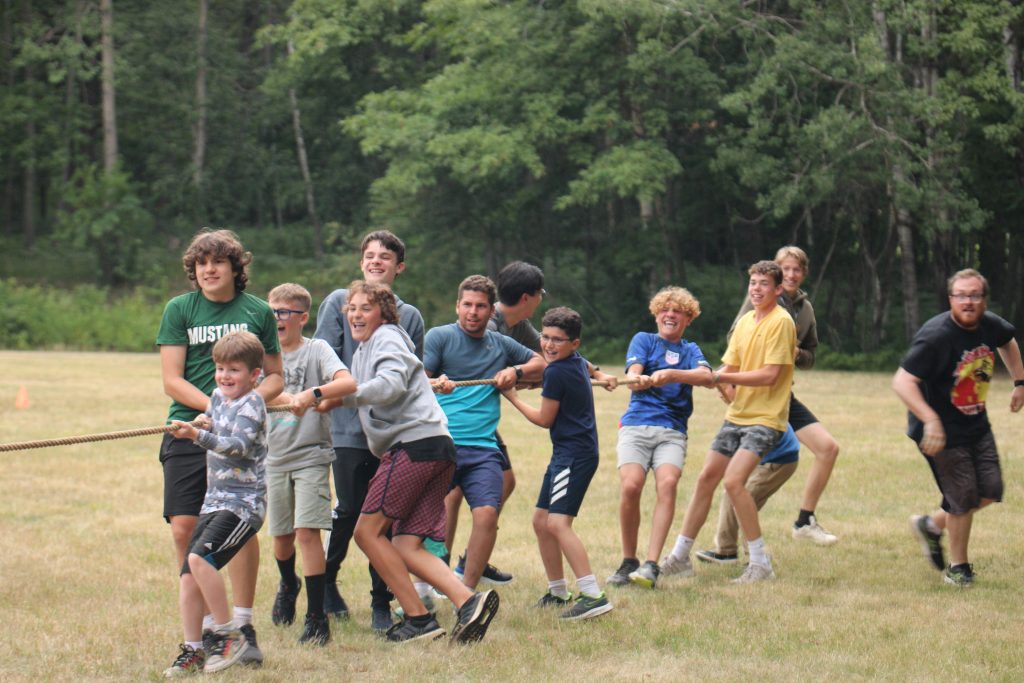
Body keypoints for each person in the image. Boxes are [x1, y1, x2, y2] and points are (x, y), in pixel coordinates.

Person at [296, 281, 500, 643]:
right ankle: (468, 602)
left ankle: (418, 619)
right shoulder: (364, 350)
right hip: (437, 448)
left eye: (366, 308)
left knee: (366, 532)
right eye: (352, 308)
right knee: (406, 544)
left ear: (385, 313)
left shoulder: (388, 337)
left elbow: (389, 385)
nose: (357, 314)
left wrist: (335, 397)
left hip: (415, 447)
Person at [156, 229, 282, 668]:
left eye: (218, 262)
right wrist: (209, 411)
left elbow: (274, 377)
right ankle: (205, 635)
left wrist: (238, 411)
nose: (209, 270)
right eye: (200, 263)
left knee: (238, 529)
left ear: (235, 267)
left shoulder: (258, 311)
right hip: (191, 425)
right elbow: (172, 379)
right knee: (184, 531)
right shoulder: (179, 309)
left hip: (233, 435)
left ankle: (241, 626)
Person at [314, 230, 424, 632]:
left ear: (399, 267)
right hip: (346, 430)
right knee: (349, 511)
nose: (376, 261)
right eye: (370, 255)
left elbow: (412, 374)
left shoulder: (409, 316)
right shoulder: (337, 304)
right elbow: (323, 358)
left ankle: (382, 601)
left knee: (386, 520)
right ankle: (325, 582)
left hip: (392, 435)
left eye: (385, 257)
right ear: (361, 262)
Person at [660, 260, 796, 583]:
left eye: (764, 283)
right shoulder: (746, 321)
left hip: (766, 419)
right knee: (707, 477)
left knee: (734, 482)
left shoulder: (782, 322)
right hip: (737, 416)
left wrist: (722, 376)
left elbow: (770, 375)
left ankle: (761, 563)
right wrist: (714, 380)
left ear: (778, 289)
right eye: (752, 283)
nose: (756, 289)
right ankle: (680, 556)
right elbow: (728, 365)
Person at [892, 268, 1024, 586]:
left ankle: (932, 525)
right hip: (940, 430)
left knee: (991, 491)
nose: (968, 301)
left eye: (975, 295)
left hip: (976, 422)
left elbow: (1008, 342)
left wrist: (1020, 381)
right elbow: (903, 381)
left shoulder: (990, 325)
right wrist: (930, 420)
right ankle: (958, 568)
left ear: (984, 299)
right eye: (961, 295)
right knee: (962, 496)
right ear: (951, 299)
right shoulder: (936, 335)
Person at [425, 275, 545, 589]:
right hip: (442, 445)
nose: (473, 312)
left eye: (480, 306)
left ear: (491, 310)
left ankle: (466, 589)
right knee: (433, 517)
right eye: (467, 305)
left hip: (483, 449)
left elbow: (541, 364)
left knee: (487, 515)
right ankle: (427, 586)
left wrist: (514, 371)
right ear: (457, 306)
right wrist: (436, 383)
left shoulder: (500, 344)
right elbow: (416, 382)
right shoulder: (439, 337)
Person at [163, 331, 269, 676]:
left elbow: (237, 445)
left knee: (199, 558)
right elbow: (218, 430)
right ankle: (193, 649)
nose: (225, 376)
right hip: (215, 501)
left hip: (243, 505)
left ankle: (227, 634)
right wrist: (204, 422)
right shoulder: (217, 398)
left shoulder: (252, 403)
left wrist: (198, 435)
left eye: (234, 370)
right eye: (220, 368)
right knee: (188, 573)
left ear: (255, 375)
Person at [503, 307, 618, 619]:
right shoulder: (573, 362)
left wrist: (511, 396)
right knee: (541, 521)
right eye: (546, 338)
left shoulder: (555, 371)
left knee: (557, 523)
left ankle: (594, 595)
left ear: (574, 343)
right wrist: (601, 374)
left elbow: (543, 419)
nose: (549, 346)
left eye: (558, 340)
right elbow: (587, 364)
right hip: (565, 454)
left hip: (575, 456)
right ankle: (558, 592)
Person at [265, 283, 356, 645]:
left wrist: (311, 393)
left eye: (285, 312)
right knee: (282, 538)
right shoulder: (262, 356)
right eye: (272, 312)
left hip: (311, 456)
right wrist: (285, 397)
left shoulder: (316, 350)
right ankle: (289, 583)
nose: (277, 319)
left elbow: (347, 383)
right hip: (273, 459)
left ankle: (317, 617)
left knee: (307, 533)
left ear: (303, 318)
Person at [731, 245, 840, 545]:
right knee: (740, 475)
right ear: (777, 273)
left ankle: (805, 521)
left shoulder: (805, 310)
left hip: (783, 396)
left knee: (828, 449)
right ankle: (725, 544)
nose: (791, 274)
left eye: (797, 269)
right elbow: (736, 338)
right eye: (786, 268)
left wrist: (794, 353)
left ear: (803, 274)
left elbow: (810, 357)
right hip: (754, 396)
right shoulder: (761, 299)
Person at [606, 287, 712, 590]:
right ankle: (629, 561)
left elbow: (707, 377)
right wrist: (638, 377)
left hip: (672, 431)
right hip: (636, 427)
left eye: (678, 311)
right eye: (665, 309)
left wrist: (673, 374)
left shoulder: (691, 350)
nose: (670, 315)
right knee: (631, 486)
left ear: (688, 318)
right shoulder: (644, 340)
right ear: (656, 314)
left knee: (667, 483)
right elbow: (634, 370)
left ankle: (651, 565)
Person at [695, 426, 801, 564]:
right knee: (731, 493)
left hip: (778, 460)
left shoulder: (756, 412)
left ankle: (758, 558)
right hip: (761, 457)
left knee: (743, 502)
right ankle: (726, 552)